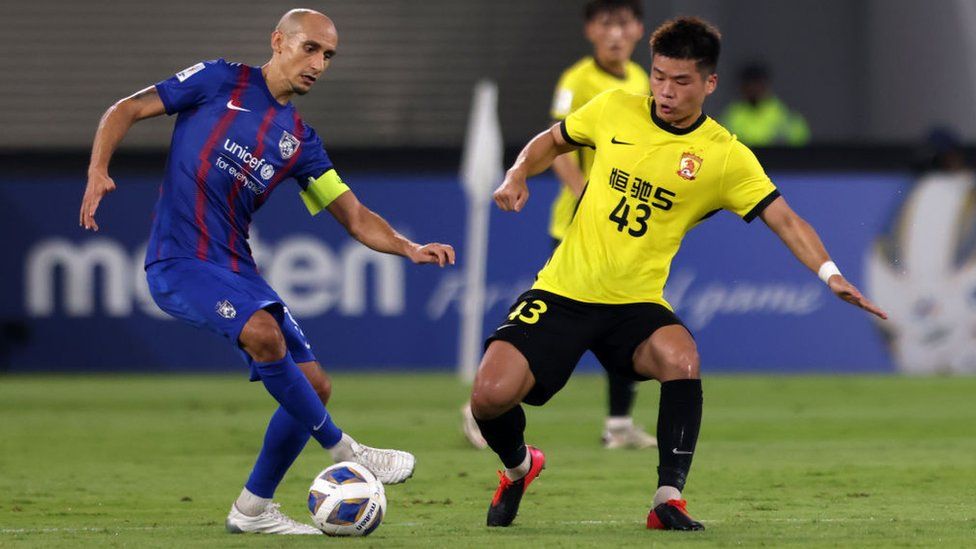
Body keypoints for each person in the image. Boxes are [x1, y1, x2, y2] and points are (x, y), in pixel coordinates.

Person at [470, 16, 886, 531]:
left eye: (681, 81)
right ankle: (518, 467)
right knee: (488, 396)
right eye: (659, 76)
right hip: (562, 290)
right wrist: (516, 174)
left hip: (635, 302)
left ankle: (668, 499)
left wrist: (831, 274)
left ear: (709, 83)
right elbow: (552, 140)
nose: (665, 91)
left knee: (681, 356)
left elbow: (784, 218)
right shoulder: (613, 109)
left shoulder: (724, 156)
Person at [79, 9, 455, 535]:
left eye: (328, 56)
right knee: (262, 334)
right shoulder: (217, 81)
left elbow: (353, 214)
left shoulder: (299, 141)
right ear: (278, 42)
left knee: (313, 385)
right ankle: (346, 450)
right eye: (310, 49)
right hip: (179, 262)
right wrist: (99, 169)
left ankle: (252, 509)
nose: (318, 64)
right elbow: (126, 108)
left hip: (237, 269)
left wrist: (408, 247)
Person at [461, 0, 657, 452]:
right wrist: (589, 196)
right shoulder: (577, 80)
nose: (615, 33)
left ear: (638, 29)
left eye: (624, 23)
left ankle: (620, 423)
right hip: (577, 229)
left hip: (622, 231)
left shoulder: (641, 81)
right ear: (590, 29)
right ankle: (483, 399)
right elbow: (560, 146)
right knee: (541, 322)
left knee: (626, 316)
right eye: (606, 23)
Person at [719, 62, 810, 146]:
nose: (753, 88)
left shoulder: (785, 117)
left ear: (765, 84)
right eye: (749, 84)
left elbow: (802, 152)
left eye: (756, 83)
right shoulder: (731, 117)